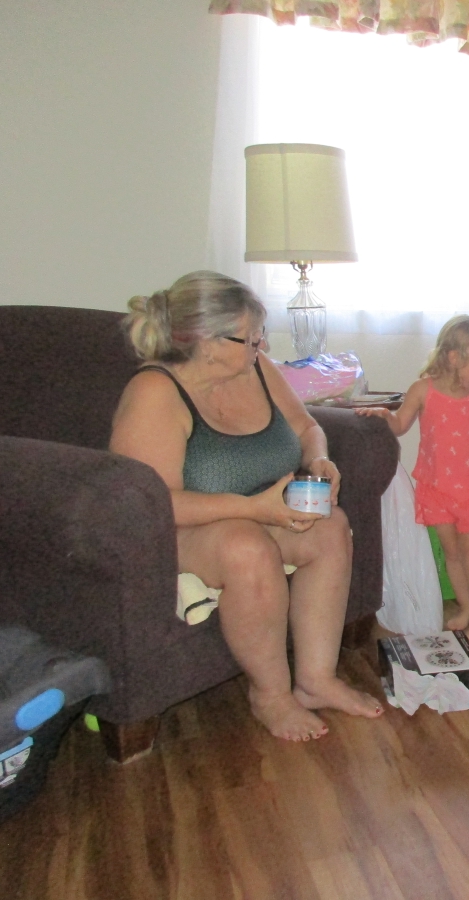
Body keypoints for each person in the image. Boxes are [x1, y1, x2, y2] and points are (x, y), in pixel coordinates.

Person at [110, 271, 384, 743]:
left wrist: (319, 459)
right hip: (177, 530)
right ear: (207, 342)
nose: (262, 345)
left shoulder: (257, 369)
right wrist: (254, 509)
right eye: (250, 338)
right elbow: (149, 505)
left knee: (329, 527)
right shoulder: (155, 393)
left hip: (259, 512)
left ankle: (316, 680)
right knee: (246, 547)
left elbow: (306, 426)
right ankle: (271, 695)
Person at [358, 315, 469, 648]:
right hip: (436, 486)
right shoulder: (422, 390)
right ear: (454, 357)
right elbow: (400, 425)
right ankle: (467, 608)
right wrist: (384, 416)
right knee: (452, 553)